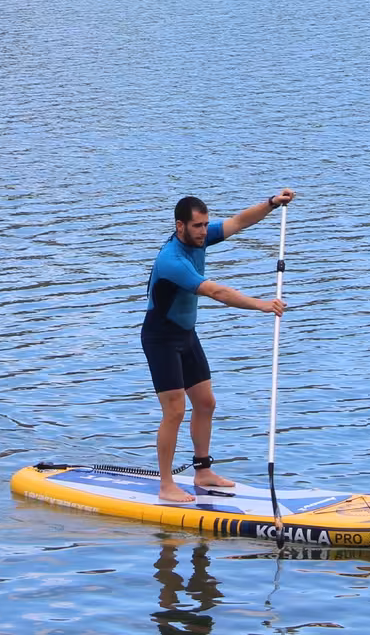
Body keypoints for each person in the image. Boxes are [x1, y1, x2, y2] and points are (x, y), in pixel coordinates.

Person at [142, 189, 293, 504]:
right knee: (175, 411)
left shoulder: (200, 237)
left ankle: (203, 471)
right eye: (197, 226)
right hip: (161, 339)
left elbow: (239, 221)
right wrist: (262, 305)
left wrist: (270, 203)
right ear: (180, 226)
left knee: (206, 402)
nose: (203, 232)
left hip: (185, 334)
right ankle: (166, 485)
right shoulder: (172, 260)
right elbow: (218, 292)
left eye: (205, 225)